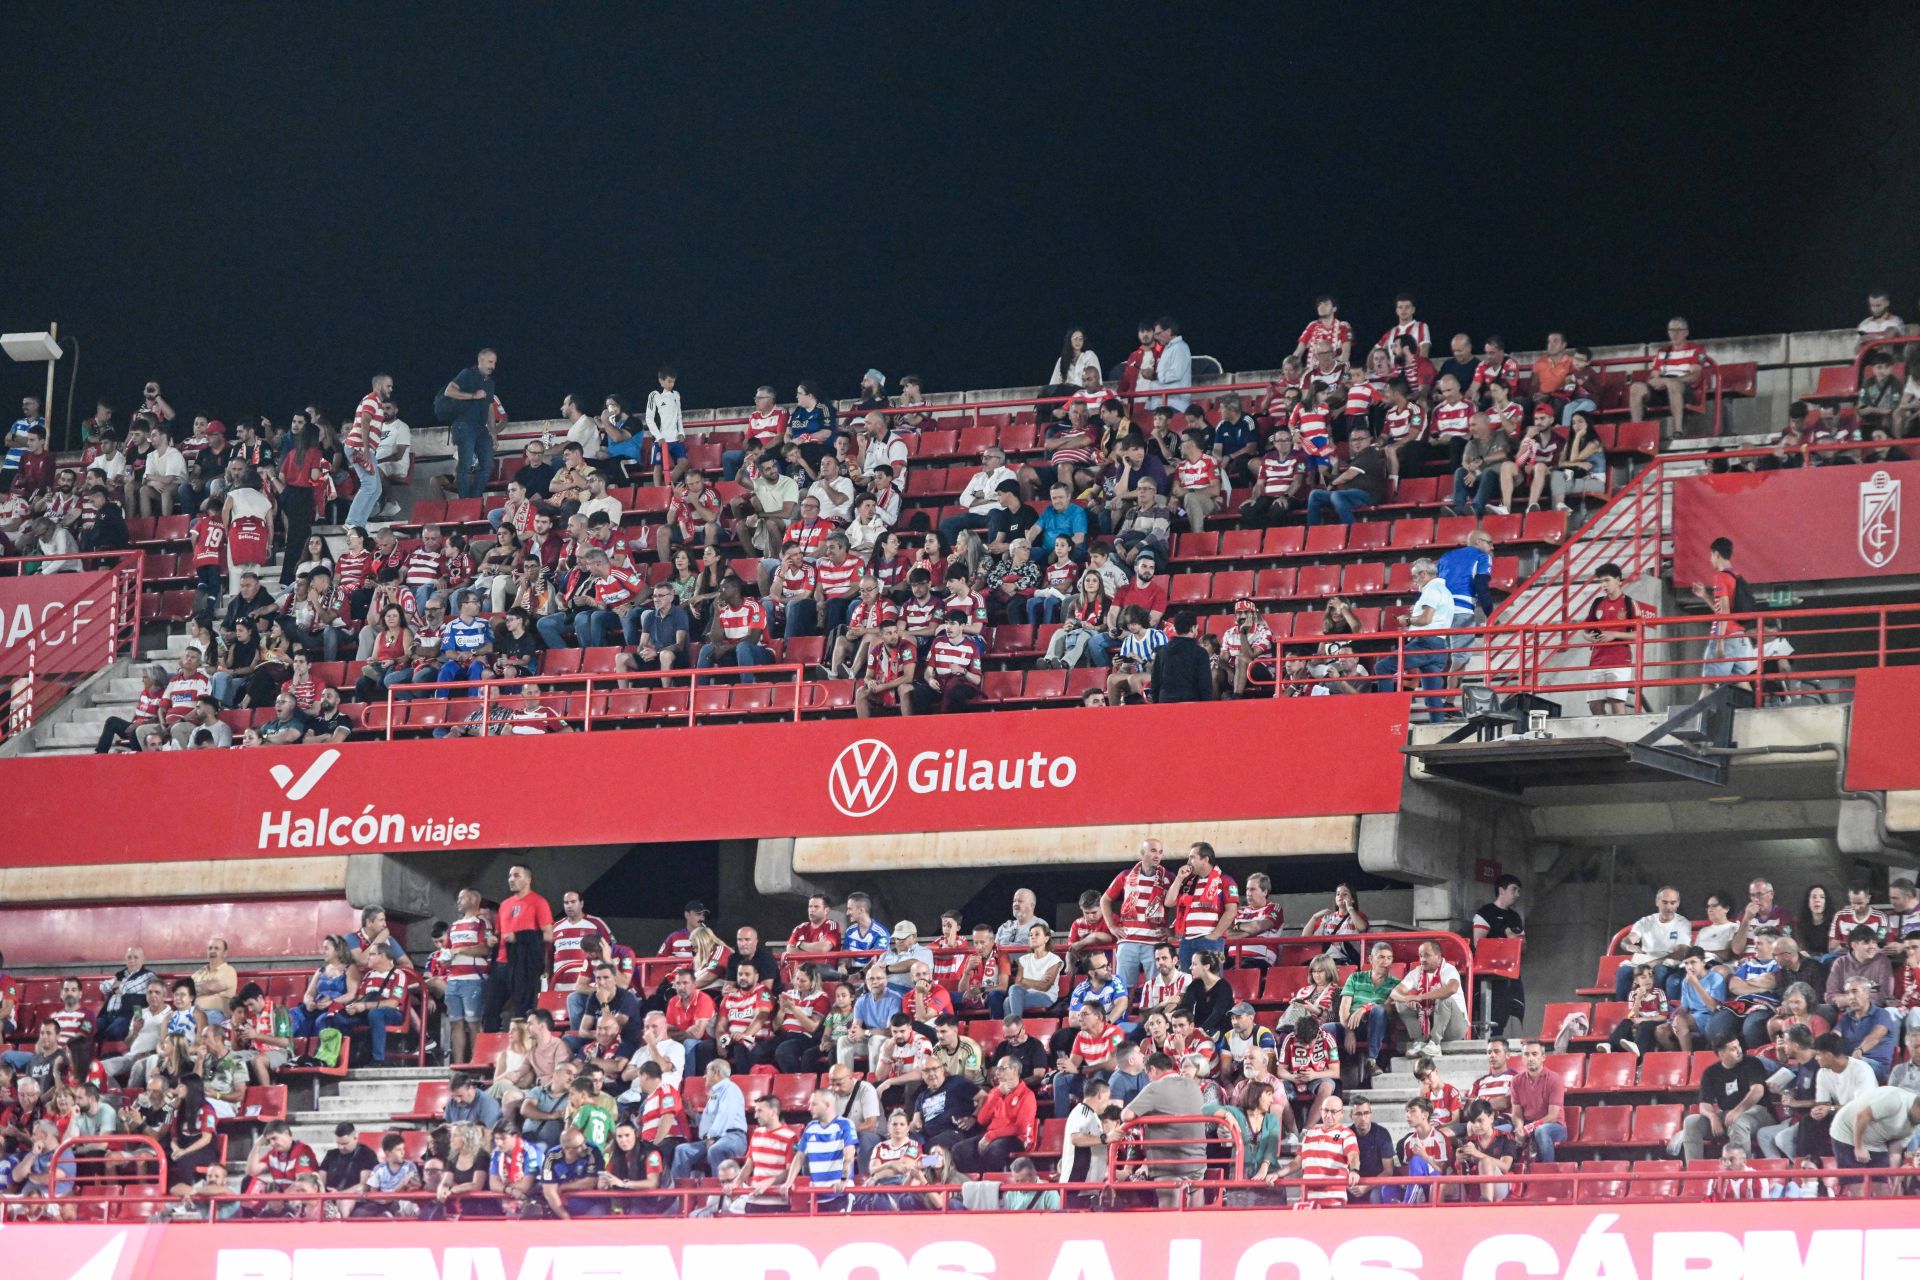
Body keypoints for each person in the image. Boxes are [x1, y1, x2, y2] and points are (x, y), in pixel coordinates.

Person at [1374, 557, 1455, 717]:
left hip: (1425, 642)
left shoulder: (1431, 590)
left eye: (1415, 576)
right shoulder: (1445, 591)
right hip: (1440, 644)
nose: (1414, 581)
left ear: (1424, 574)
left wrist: (1408, 620)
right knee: (1433, 696)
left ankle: (1386, 714)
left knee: (1382, 667)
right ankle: (1437, 725)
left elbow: (1426, 619)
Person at [1671, 1035, 1769, 1160]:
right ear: (1721, 1054)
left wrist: (1737, 1111)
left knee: (1737, 1122)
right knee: (1691, 1122)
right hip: (1728, 1114)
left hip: (1758, 1113)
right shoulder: (1711, 1072)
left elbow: (1758, 1091)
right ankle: (1694, 1168)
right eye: (1733, 1049)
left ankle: (1741, 1167)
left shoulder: (1752, 1063)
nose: (1739, 1050)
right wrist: (1712, 1117)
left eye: (1738, 1046)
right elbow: (1704, 1104)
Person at [1584, 562, 1653, 714]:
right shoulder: (1597, 603)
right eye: (1601, 581)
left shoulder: (1629, 603)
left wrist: (1614, 635)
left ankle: (1618, 730)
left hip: (1619, 660)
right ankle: (1604, 730)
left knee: (1616, 703)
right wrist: (1590, 638)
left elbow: (1639, 634)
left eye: (1607, 580)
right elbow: (1585, 630)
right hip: (1597, 660)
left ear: (1618, 580)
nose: (1603, 585)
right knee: (1594, 705)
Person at [1628, 318, 1707, 440]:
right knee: (1636, 387)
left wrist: (1668, 381)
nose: (1674, 334)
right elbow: (1654, 375)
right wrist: (1655, 382)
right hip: (1662, 390)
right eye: (1671, 330)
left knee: (1673, 384)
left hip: (1684, 389)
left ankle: (1678, 430)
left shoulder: (1697, 350)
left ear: (1686, 332)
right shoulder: (1662, 352)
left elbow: (1694, 376)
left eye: (1678, 330)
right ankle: (1636, 430)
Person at [1391, 941, 1469, 1057]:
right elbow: (1394, 992)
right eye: (1421, 956)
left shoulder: (1449, 970)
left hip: (1454, 1027)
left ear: (1438, 956)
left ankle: (1435, 1044)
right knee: (1400, 1002)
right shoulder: (1417, 972)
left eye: (1427, 955)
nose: (1422, 959)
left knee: (1445, 998)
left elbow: (1452, 988)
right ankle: (1419, 1041)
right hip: (1431, 1025)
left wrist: (1421, 997)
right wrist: (1408, 998)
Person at [443, 349, 500, 499]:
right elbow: (449, 391)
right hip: (464, 425)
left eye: (494, 363)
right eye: (490, 362)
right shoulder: (468, 374)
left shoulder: (490, 383)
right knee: (465, 465)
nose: (493, 366)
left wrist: (493, 433)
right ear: (480, 361)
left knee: (488, 465)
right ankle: (465, 501)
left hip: (481, 428)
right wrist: (473, 396)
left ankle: (473, 499)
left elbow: (490, 408)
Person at [1304, 425, 1388, 525]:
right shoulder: (1358, 456)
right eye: (1353, 440)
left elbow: (1348, 475)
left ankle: (1350, 529)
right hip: (1349, 494)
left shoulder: (1370, 454)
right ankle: (1313, 531)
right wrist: (1334, 468)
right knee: (1315, 494)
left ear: (1370, 439)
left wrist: (1332, 484)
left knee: (1337, 495)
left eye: (1360, 439)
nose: (1356, 443)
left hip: (1367, 495)